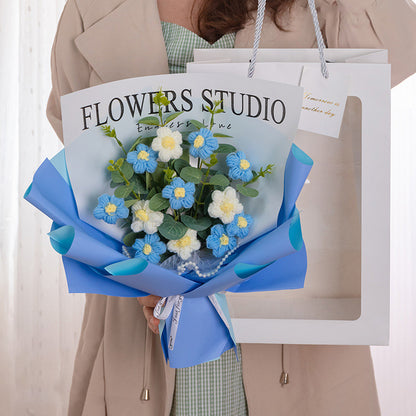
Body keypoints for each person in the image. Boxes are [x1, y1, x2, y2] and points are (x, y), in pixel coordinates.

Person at [46, 0, 416, 415]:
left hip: (298, 331)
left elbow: (399, 47)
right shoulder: (92, 7)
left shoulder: (315, 5)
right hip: (146, 332)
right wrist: (135, 270)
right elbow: (85, 157)